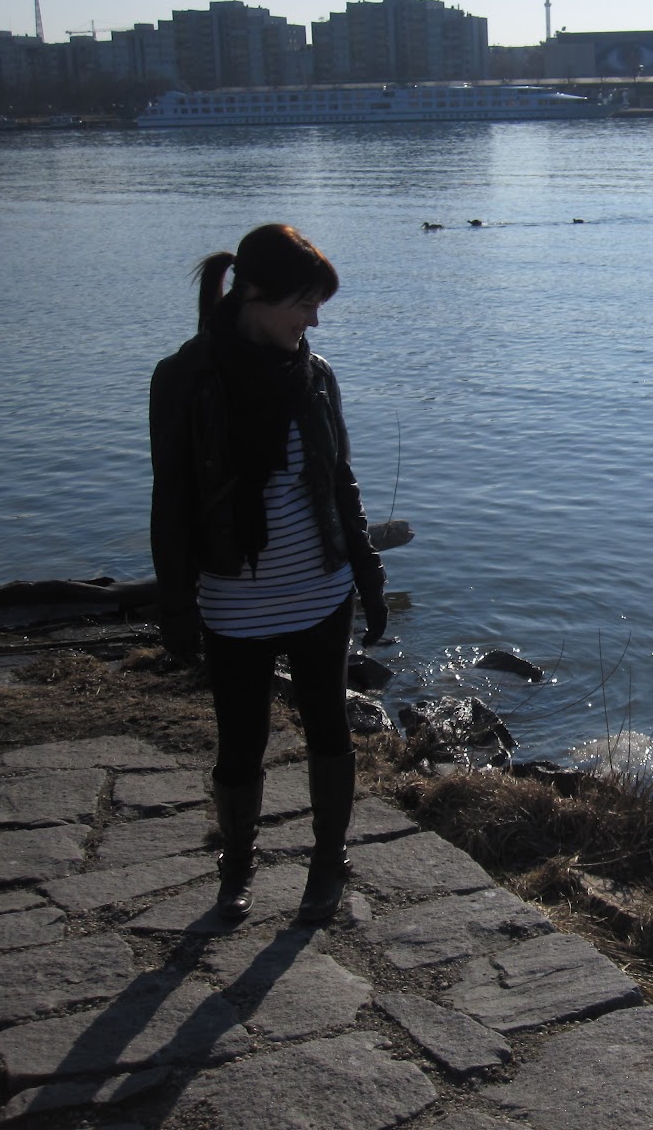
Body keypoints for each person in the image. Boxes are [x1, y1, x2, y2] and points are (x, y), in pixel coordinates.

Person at [148, 223, 389, 924]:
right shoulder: (184, 379)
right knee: (240, 742)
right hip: (232, 597)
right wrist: (175, 604)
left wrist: (368, 575)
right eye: (305, 304)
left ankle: (328, 860)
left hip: (321, 591)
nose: (314, 321)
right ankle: (237, 866)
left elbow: (340, 482)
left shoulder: (316, 376)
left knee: (329, 729)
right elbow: (172, 497)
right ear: (254, 293)